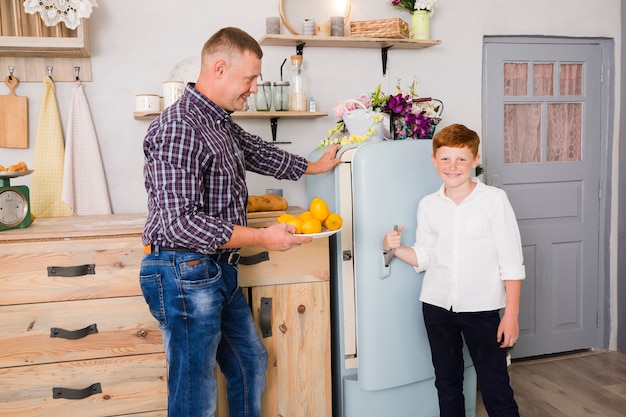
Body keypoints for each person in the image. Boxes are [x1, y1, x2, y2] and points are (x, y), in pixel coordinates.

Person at [140, 27, 341, 417]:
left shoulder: (218, 121)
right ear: (219, 68)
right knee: (195, 392)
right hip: (184, 273)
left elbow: (258, 152)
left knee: (249, 363)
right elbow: (181, 224)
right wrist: (263, 237)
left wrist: (314, 166)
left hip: (215, 270)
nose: (253, 88)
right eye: (249, 78)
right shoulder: (179, 126)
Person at [382, 124, 524, 417]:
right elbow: (423, 256)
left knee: (496, 387)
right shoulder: (428, 205)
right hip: (436, 307)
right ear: (434, 161)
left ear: (475, 160)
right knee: (447, 384)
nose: (453, 166)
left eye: (461, 159)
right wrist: (393, 248)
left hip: (482, 309)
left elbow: (511, 262)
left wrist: (510, 315)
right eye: (445, 159)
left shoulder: (494, 201)